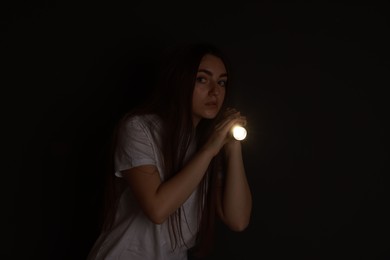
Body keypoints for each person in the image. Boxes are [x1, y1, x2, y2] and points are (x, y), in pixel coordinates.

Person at [87, 42, 252, 260]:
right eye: (202, 79)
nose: (215, 91)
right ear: (180, 81)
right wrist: (210, 149)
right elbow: (157, 209)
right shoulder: (139, 128)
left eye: (222, 82)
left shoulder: (207, 143)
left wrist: (233, 146)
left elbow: (238, 219)